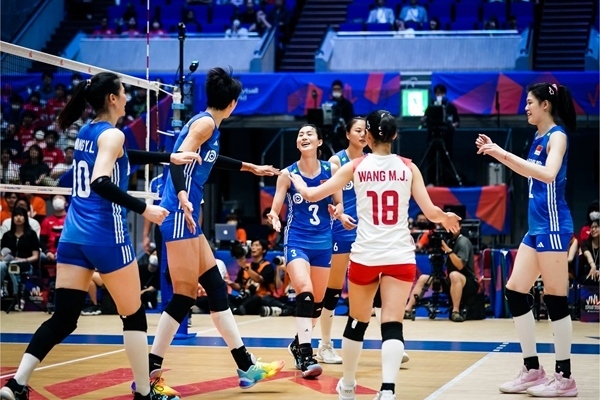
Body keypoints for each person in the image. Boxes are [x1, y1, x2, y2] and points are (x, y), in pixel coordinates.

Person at [0, 71, 200, 400]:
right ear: (112, 98)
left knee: (64, 318)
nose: (127, 98)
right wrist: (144, 209)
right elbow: (100, 181)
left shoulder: (87, 132)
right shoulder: (113, 135)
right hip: (106, 237)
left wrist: (168, 158)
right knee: (133, 315)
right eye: (123, 92)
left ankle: (16, 383)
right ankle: (144, 392)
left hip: (73, 238)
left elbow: (122, 156)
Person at [289, 110, 460, 400]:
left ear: (367, 136)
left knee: (357, 322)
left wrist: (298, 182)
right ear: (395, 135)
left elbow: (313, 195)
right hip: (400, 255)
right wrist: (446, 217)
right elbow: (431, 213)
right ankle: (388, 389)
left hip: (366, 255)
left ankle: (348, 386)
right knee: (392, 324)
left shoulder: (356, 166)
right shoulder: (409, 167)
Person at [146, 67, 284, 396]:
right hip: (178, 214)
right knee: (183, 297)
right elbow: (176, 160)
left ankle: (246, 366)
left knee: (216, 289)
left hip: (187, 216)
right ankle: (149, 376)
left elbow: (210, 158)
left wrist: (250, 167)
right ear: (233, 103)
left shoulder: (209, 124)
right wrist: (182, 195)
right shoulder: (205, 124)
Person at [476, 82, 578, 397]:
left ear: (546, 104)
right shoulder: (537, 137)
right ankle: (533, 369)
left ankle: (565, 378)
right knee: (515, 292)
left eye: (530, 102)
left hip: (553, 226)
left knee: (555, 299)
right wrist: (497, 152)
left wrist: (502, 152)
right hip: (536, 227)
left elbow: (547, 173)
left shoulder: (557, 136)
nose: (526, 107)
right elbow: (529, 172)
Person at [268, 124, 343, 379]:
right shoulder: (287, 174)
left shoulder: (331, 170)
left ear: (319, 141)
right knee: (305, 292)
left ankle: (297, 343)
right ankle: (306, 354)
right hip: (297, 241)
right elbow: (275, 206)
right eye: (300, 134)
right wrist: (273, 216)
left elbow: (339, 203)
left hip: (323, 243)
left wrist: (337, 211)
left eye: (309, 133)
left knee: (317, 306)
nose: (304, 137)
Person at [316, 117, 366, 365]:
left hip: (366, 233)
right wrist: (339, 213)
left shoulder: (371, 162)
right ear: (347, 134)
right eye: (358, 130)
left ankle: (392, 342)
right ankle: (324, 345)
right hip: (340, 231)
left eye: (366, 131)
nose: (363, 135)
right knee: (333, 290)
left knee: (372, 289)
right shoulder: (336, 162)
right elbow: (328, 198)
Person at [404, 221, 478, 323]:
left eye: (454, 226)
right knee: (423, 278)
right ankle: (407, 310)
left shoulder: (463, 242)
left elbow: (460, 265)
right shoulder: (448, 239)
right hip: (451, 282)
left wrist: (448, 250)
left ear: (459, 227)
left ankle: (455, 311)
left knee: (454, 275)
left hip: (468, 283)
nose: (450, 228)